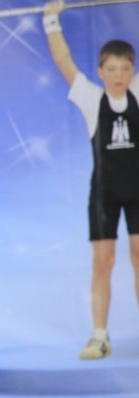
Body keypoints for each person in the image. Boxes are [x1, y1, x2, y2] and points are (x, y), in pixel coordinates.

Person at [43, 1, 139, 360]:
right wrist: (51, 20)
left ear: (132, 71)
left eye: (124, 68)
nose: (118, 75)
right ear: (100, 71)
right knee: (103, 261)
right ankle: (100, 336)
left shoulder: (138, 94)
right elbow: (63, 60)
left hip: (138, 191)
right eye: (111, 68)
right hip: (104, 193)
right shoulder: (89, 97)